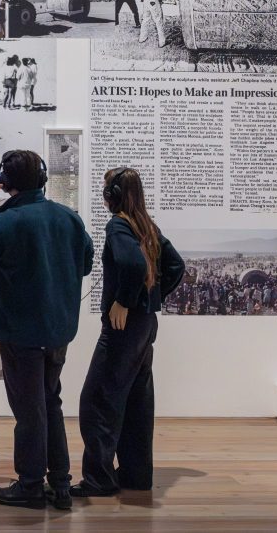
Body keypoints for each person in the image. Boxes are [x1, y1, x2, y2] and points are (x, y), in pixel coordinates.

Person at [0, 151, 94, 510]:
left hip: (21, 332)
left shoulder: (3, 223)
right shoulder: (69, 219)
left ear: (3, 182)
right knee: (51, 403)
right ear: (42, 179)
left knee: (30, 411)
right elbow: (86, 264)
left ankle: (30, 486)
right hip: (59, 330)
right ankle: (60, 484)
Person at [74, 167, 185, 498]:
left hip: (124, 328)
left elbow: (133, 265)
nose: (103, 194)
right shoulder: (147, 226)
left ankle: (99, 480)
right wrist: (148, 300)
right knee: (137, 401)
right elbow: (177, 266)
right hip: (146, 325)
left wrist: (125, 301)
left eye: (106, 189)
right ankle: (136, 476)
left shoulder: (118, 224)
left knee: (96, 402)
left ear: (114, 195)